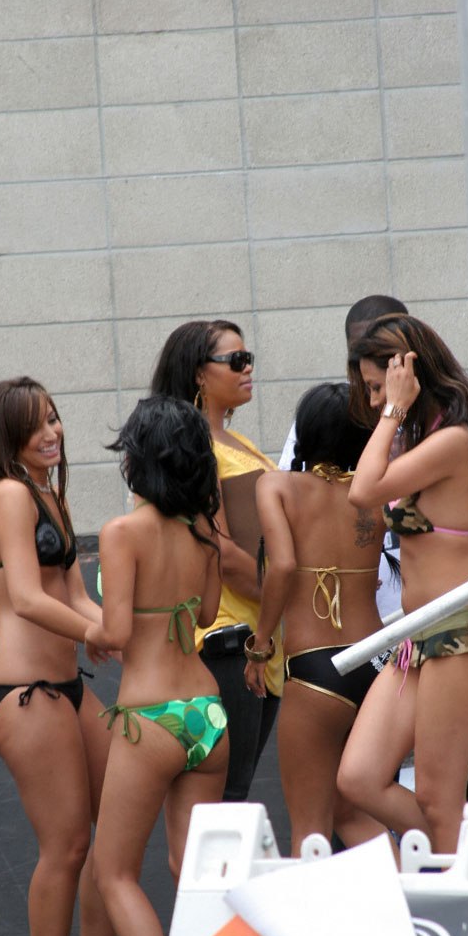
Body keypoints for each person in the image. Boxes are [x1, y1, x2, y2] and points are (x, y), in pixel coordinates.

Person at [0, 377, 147, 936]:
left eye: (54, 419)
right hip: (25, 693)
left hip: (69, 689)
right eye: (36, 424)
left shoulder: (48, 493)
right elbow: (26, 597)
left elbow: (71, 591)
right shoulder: (8, 495)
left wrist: (114, 634)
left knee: (118, 829)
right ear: (7, 436)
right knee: (67, 846)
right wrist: (93, 632)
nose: (52, 433)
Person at [86, 396, 229, 936]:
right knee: (194, 871)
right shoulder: (205, 533)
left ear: (138, 461)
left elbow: (115, 632)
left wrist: (88, 630)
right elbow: (207, 614)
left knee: (114, 873)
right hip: (207, 712)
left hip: (149, 717)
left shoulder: (122, 533)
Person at [336, 315, 468, 855]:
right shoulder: (419, 440)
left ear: (408, 373)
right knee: (359, 777)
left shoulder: (454, 440)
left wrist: (394, 410)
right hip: (417, 633)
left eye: (379, 386)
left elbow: (363, 491)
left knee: (437, 800)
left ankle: (463, 884)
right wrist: (396, 418)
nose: (375, 399)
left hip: (458, 630)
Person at [244, 383, 388, 855]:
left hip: (315, 669)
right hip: (375, 662)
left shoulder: (278, 485)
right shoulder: (373, 495)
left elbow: (283, 565)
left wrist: (260, 645)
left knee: (309, 831)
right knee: (355, 814)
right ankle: (404, 900)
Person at [150, 321, 282, 802]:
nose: (248, 369)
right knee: (224, 801)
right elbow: (219, 549)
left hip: (261, 640)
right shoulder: (197, 445)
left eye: (249, 359)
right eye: (236, 361)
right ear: (198, 374)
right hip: (228, 639)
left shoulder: (234, 440)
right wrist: (282, 597)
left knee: (230, 799)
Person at [279, 295, 409, 621]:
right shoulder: (327, 416)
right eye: (360, 352)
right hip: (349, 614)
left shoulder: (439, 417)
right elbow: (294, 508)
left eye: (384, 353)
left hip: (430, 605)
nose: (371, 361)